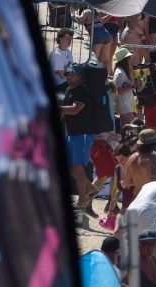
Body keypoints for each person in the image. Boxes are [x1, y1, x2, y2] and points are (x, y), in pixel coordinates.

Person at [59, 65, 98, 216]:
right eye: (68, 74)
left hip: (82, 134)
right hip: (72, 134)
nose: (69, 77)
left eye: (73, 75)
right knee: (70, 167)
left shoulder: (83, 91)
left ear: (80, 77)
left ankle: (82, 201)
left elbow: (75, 109)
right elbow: (66, 112)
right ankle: (91, 190)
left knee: (78, 167)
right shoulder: (69, 90)